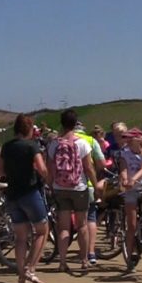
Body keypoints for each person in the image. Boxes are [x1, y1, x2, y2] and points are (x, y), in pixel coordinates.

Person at [0, 114, 50, 283]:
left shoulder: (6, 147)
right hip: (30, 192)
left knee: (20, 237)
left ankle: (21, 274)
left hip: (12, 195)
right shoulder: (32, 146)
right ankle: (30, 268)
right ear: (29, 129)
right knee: (42, 230)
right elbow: (42, 169)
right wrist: (48, 178)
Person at [46, 109, 99, 272]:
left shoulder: (54, 144)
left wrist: (50, 184)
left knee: (63, 227)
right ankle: (84, 260)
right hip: (79, 187)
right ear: (75, 123)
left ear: (61, 123)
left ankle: (62, 262)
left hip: (60, 188)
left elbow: (49, 167)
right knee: (82, 225)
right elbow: (88, 168)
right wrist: (96, 186)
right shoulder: (82, 143)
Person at [118, 128, 142, 271]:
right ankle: (130, 254)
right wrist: (126, 179)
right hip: (131, 190)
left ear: (139, 140)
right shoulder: (124, 154)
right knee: (131, 225)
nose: (128, 141)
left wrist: (134, 179)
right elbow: (123, 168)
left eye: (131, 139)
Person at [74, 122, 108, 266]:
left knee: (64, 222)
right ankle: (90, 252)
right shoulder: (90, 140)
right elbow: (102, 163)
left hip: (63, 186)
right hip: (86, 185)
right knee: (90, 218)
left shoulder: (60, 140)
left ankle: (62, 258)